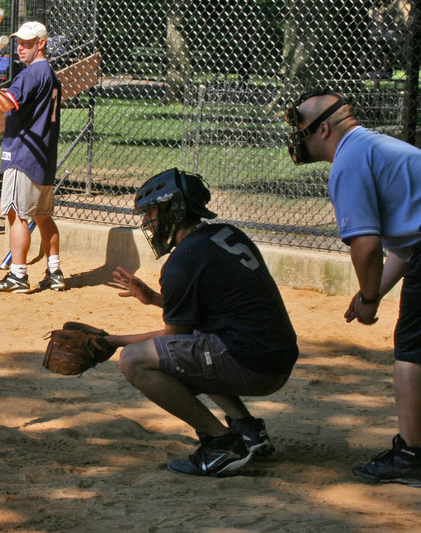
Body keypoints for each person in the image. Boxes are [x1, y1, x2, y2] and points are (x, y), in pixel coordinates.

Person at [286, 89, 421, 488]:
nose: (297, 139)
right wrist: (367, 297)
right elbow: (410, 247)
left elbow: (367, 246)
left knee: (412, 349)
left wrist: (372, 298)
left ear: (322, 129)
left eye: (301, 130)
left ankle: (410, 457)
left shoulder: (350, 162)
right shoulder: (373, 146)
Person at [105, 168, 299, 477]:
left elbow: (174, 340)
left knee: (135, 360)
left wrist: (113, 340)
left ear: (174, 209)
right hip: (276, 356)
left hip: (255, 366)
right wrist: (155, 298)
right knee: (200, 343)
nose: (145, 222)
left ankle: (221, 443)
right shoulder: (226, 234)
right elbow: (212, 310)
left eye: (151, 212)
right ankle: (247, 429)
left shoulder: (181, 261)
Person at [0, 21, 64, 293]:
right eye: (19, 42)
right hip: (44, 158)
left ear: (41, 44)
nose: (21, 47)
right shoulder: (51, 75)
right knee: (43, 215)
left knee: (17, 215)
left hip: (23, 156)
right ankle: (54, 271)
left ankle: (18, 275)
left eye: (28, 43)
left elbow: (5, 103)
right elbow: (10, 99)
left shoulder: (31, 74)